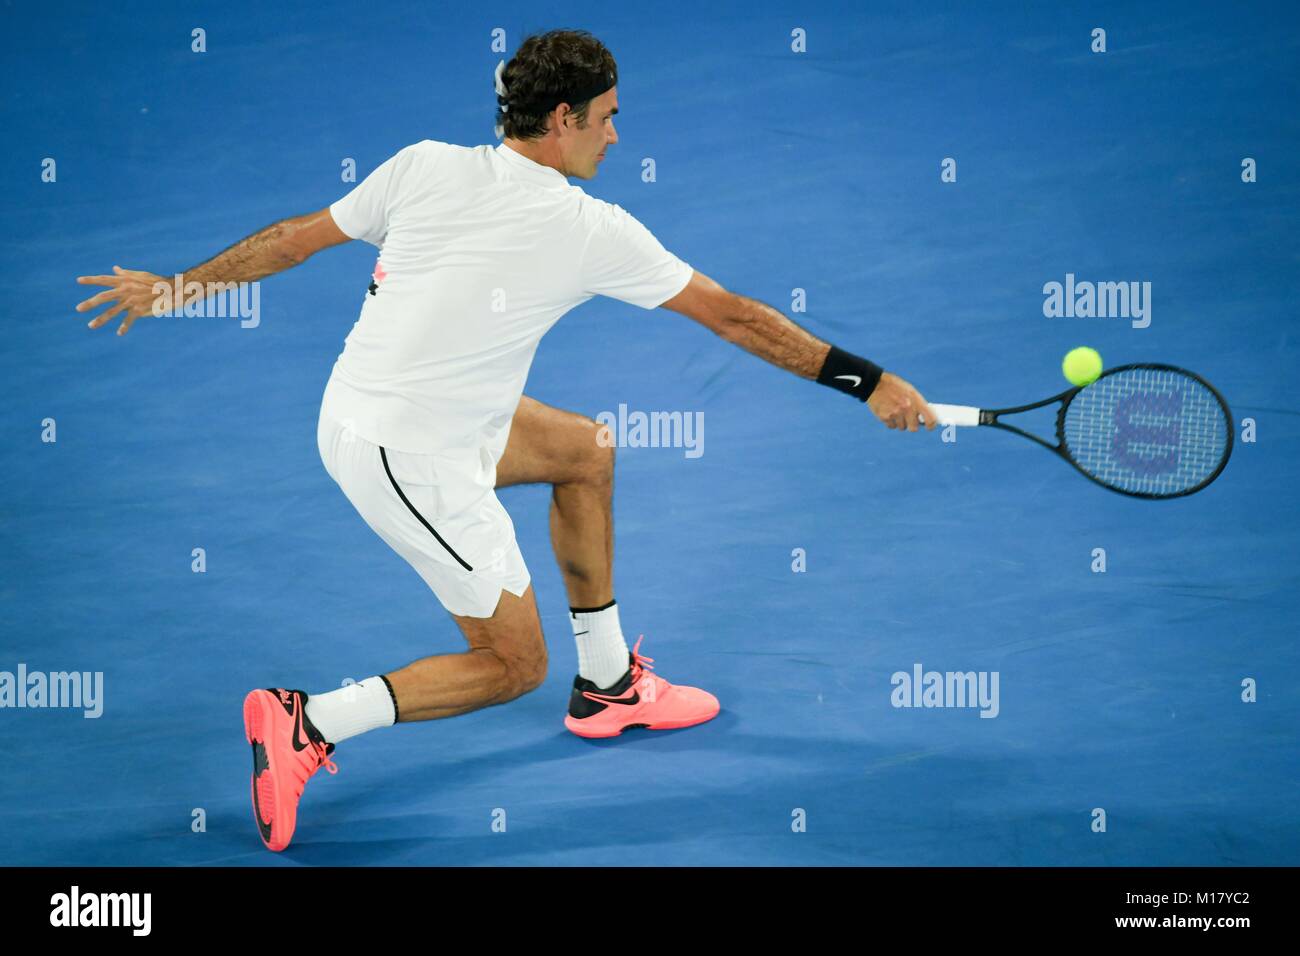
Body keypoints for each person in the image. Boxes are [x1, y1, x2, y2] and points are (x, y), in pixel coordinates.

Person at [74, 29, 938, 852]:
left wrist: (178, 287)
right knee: (512, 664)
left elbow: (294, 238)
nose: (615, 133)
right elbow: (736, 318)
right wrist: (871, 382)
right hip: (404, 451)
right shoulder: (590, 229)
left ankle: (607, 687)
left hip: (386, 405)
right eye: (606, 115)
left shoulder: (425, 164)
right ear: (562, 120)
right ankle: (309, 721)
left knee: (584, 451)